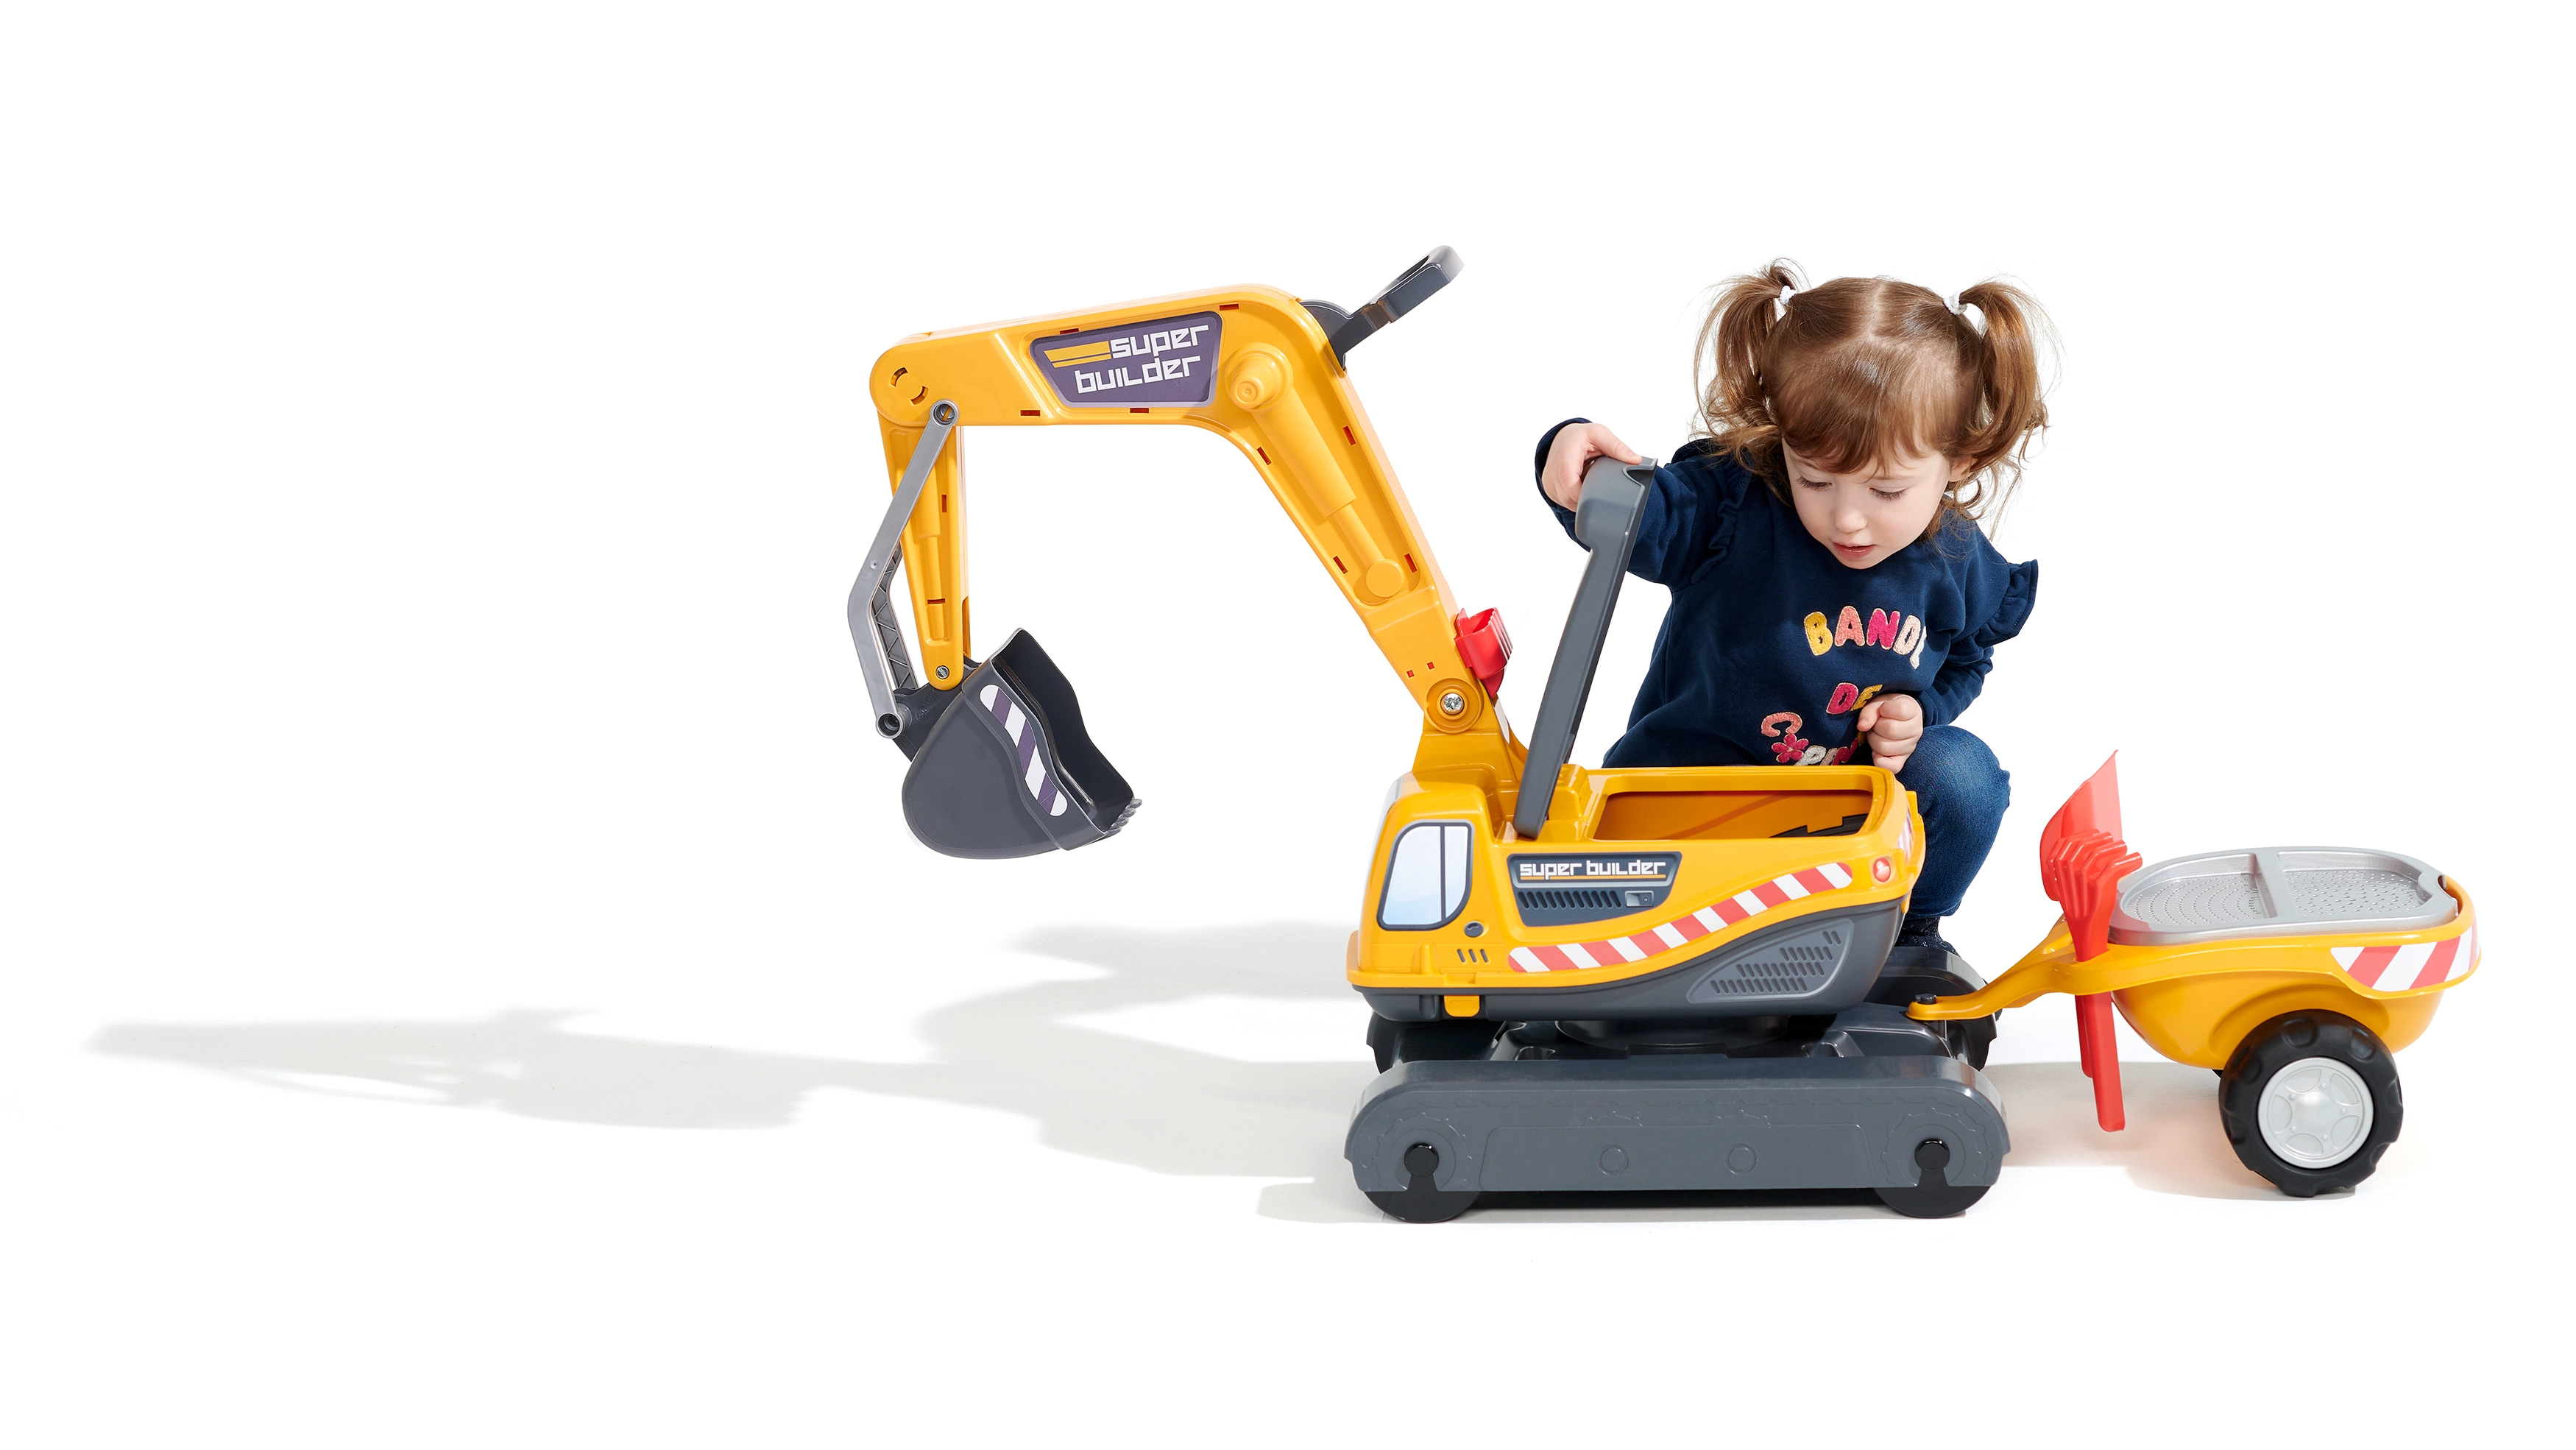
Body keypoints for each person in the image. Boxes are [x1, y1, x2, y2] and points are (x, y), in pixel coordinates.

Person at [1535, 260, 2049, 955]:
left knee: (1963, 776)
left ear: (1960, 460)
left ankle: (1905, 938)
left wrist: (1921, 710)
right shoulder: (1732, 507)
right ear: (1784, 443)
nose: (1848, 519)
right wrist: (1571, 457)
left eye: (1887, 492)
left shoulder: (1961, 560)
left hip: (1837, 822)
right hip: (1688, 809)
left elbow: (1968, 656)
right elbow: (1638, 518)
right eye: (1816, 479)